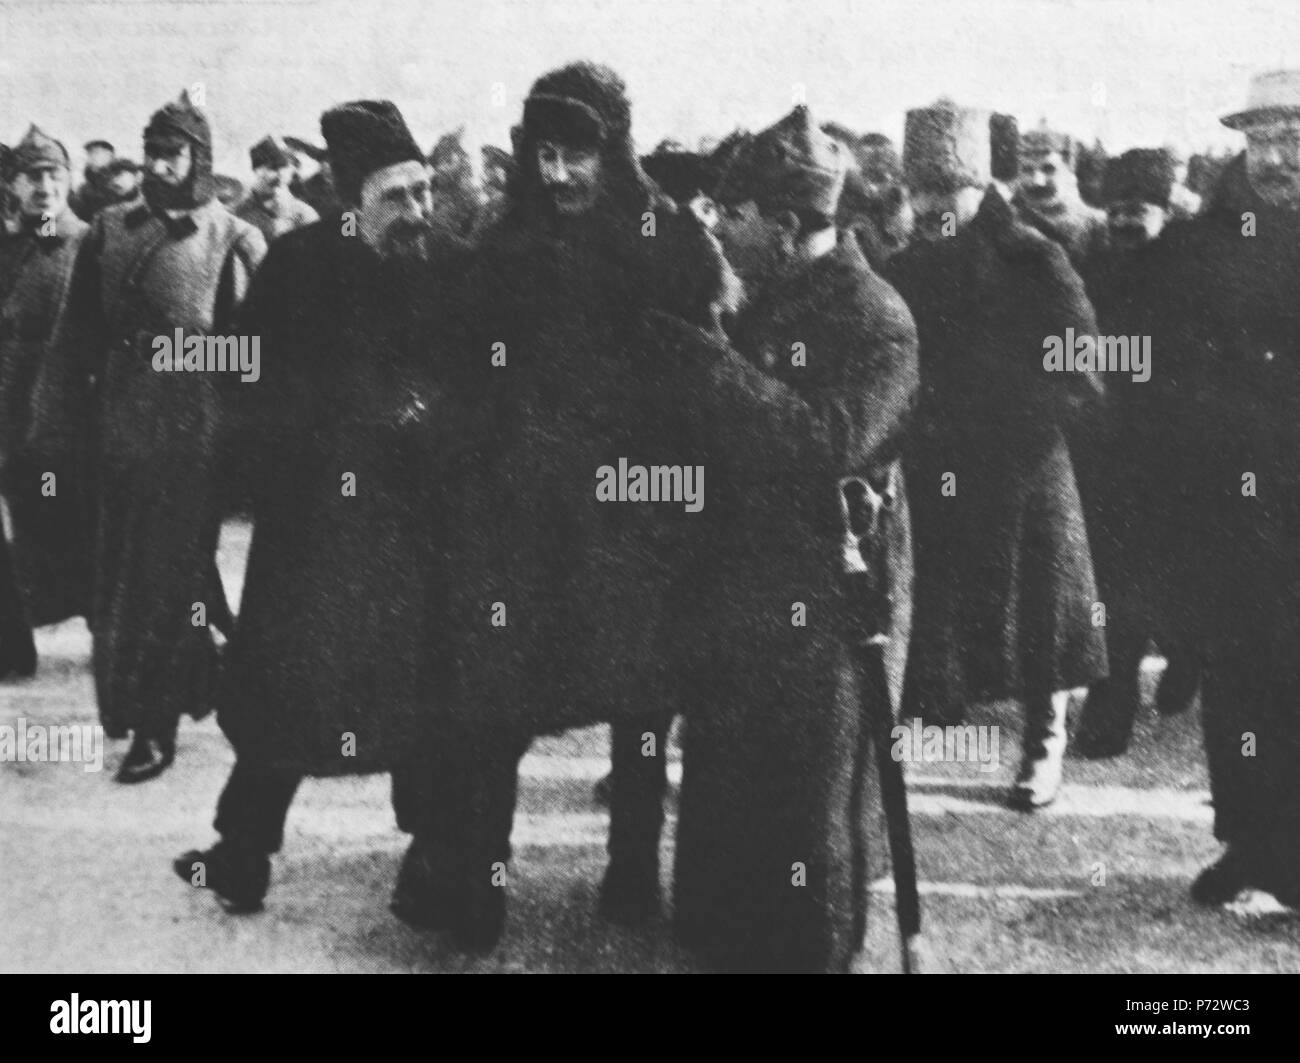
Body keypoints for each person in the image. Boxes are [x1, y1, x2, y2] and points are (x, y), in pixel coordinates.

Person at [427, 61, 732, 949]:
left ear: (616, 152)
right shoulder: (503, 242)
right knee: (495, 705)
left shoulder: (669, 243)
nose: (557, 175)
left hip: (634, 515)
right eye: (544, 154)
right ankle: (481, 887)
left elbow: (706, 389)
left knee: (639, 702)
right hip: (521, 516)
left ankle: (632, 866)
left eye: (577, 156)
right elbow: (461, 372)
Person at [175, 99, 462, 918]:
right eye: (398, 197)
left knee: (423, 697)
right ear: (352, 200)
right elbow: (243, 378)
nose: (419, 212)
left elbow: (475, 375)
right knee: (284, 691)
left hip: (414, 527)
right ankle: (241, 854)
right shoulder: (298, 265)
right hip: (315, 528)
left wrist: (427, 412)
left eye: (426, 192)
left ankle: (434, 858)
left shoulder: (442, 267)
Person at [674, 103, 918, 972]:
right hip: (734, 588)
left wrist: (715, 367)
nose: (717, 229)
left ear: (781, 226)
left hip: (827, 603)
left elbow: (828, 443)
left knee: (810, 805)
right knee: (727, 780)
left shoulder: (875, 315)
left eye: (730, 217)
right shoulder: (751, 298)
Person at [28, 90, 266, 784]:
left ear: (199, 158)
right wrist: (53, 428)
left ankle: (153, 725)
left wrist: (179, 358)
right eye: (152, 151)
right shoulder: (110, 230)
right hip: (121, 437)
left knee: (159, 581)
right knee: (132, 581)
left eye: (174, 153)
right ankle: (202, 680)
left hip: (197, 442)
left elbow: (255, 354)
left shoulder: (233, 239)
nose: (159, 166)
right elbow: (75, 340)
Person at [890, 99, 1108, 810]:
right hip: (939, 468)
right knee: (944, 606)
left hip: (1023, 469)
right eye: (918, 196)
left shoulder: (1034, 258)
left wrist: (1006, 417)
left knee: (1040, 612)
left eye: (941, 196)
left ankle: (1044, 743)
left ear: (981, 189)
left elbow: (1083, 375)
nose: (928, 211)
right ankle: (928, 730)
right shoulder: (907, 266)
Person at [1125, 70, 1300, 914]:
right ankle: (1251, 843)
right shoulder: (1206, 244)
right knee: (1241, 681)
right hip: (1234, 505)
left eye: (1298, 135)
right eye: (1266, 136)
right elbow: (1156, 358)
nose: (1282, 155)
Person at [0, 126, 91, 676]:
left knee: (80, 524)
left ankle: (124, 643)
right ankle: (15, 648)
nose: (43, 186)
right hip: (12, 411)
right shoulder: (9, 248)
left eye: (53, 174)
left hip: (70, 415)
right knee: (23, 528)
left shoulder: (92, 240)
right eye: (31, 176)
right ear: (12, 184)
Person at [1013, 123, 1109, 268]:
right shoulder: (1009, 221)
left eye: (1048, 169)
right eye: (1027, 169)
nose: (1037, 181)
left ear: (1069, 171)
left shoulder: (1098, 225)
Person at [234, 136, 318, 244]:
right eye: (272, 167)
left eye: (284, 167)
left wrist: (281, 219)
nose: (280, 174)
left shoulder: (303, 214)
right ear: (256, 170)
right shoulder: (241, 212)